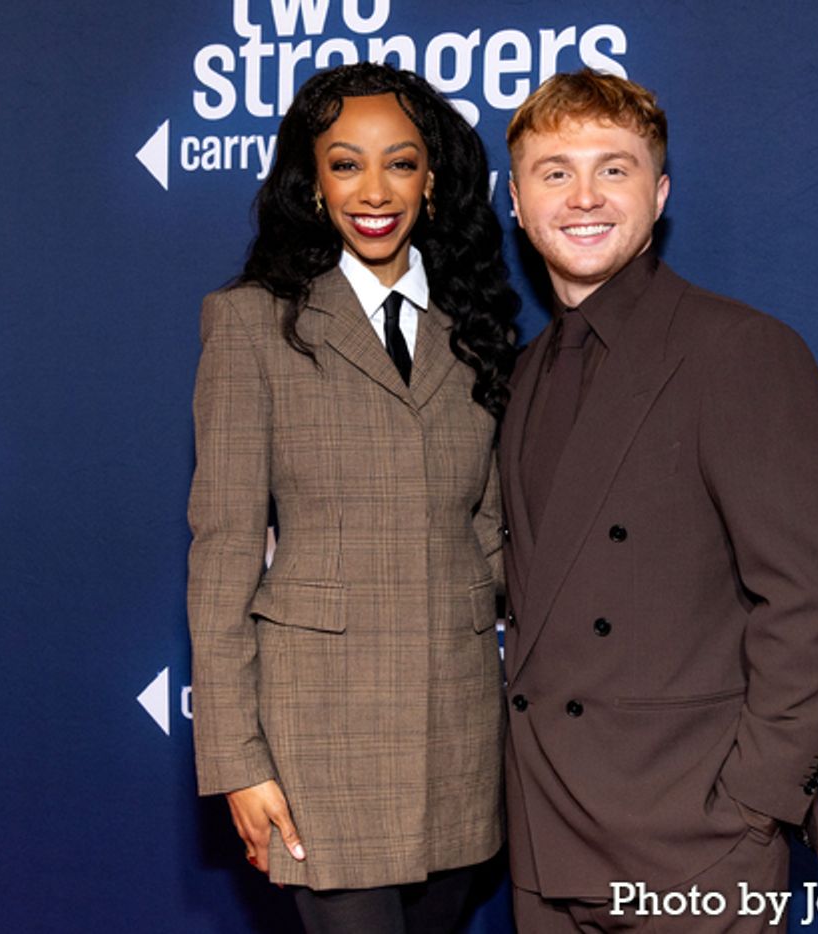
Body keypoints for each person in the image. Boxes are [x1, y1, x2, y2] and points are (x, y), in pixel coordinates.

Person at [497, 69, 818, 933]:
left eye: (613, 170)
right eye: (555, 172)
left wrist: (754, 806)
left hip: (694, 846)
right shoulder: (524, 373)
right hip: (545, 845)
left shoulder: (739, 351)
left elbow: (805, 605)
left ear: (659, 194)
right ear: (516, 201)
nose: (584, 196)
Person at [186, 62, 517, 934]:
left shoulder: (475, 325)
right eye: (346, 163)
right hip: (317, 733)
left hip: (457, 721)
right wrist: (236, 760)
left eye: (401, 163)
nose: (375, 190)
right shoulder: (254, 322)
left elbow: (486, 526)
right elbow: (223, 549)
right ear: (312, 181)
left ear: (435, 179)